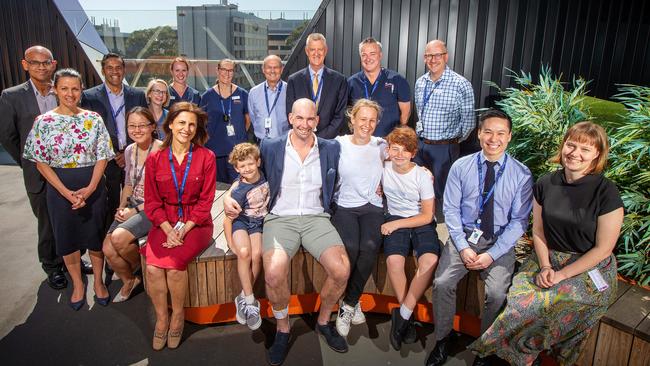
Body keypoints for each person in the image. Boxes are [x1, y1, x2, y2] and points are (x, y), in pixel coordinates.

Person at [469, 121, 624, 366]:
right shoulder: (545, 183)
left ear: (597, 154)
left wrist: (561, 275)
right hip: (546, 257)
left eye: (585, 149)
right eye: (571, 145)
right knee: (520, 302)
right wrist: (544, 266)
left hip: (587, 267)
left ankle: (518, 356)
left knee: (554, 304)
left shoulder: (606, 192)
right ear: (563, 146)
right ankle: (520, 356)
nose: (575, 153)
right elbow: (538, 231)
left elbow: (603, 249)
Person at [224, 99, 350, 366]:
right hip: (280, 218)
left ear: (316, 120)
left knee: (341, 270)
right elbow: (248, 171)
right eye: (299, 118)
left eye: (310, 119)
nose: (305, 124)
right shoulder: (271, 146)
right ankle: (283, 328)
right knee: (273, 272)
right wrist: (229, 196)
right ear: (291, 118)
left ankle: (324, 321)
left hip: (317, 218)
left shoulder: (330, 148)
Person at [426, 110, 533, 366]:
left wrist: (491, 255)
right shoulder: (461, 166)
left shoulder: (522, 174)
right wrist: (462, 247)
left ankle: (485, 348)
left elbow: (519, 221)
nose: (493, 138)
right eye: (488, 131)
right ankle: (442, 339)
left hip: (499, 243)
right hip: (463, 238)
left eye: (500, 133)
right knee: (441, 283)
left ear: (508, 137)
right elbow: (450, 210)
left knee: (497, 292)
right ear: (479, 133)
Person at [22, 68, 115, 310]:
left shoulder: (93, 119)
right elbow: (39, 161)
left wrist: (92, 187)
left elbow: (103, 155)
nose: (70, 93)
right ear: (55, 89)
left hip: (92, 186)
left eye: (75, 88)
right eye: (64, 88)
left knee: (94, 237)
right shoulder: (43, 122)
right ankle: (78, 284)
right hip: (58, 189)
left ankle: (99, 284)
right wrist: (65, 192)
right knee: (66, 239)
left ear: (81, 90)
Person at [143, 101, 216, 350]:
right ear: (171, 124)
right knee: (153, 268)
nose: (187, 128)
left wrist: (183, 230)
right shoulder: (155, 159)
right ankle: (161, 320)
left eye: (192, 124)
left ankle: (177, 317)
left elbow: (206, 202)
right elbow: (151, 203)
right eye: (182, 122)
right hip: (165, 222)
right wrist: (167, 229)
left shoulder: (206, 157)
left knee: (174, 267)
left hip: (196, 225)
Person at [0, 45, 66, 290]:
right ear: (24, 64)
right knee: (47, 222)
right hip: (38, 172)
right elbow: (8, 136)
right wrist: (28, 161)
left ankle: (72, 259)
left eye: (45, 62)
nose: (41, 66)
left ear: (54, 64)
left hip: (67, 169)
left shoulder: (63, 91)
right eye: (35, 62)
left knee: (69, 217)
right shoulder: (12, 96)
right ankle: (52, 266)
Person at [381, 126, 441, 351]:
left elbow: (426, 215)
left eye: (405, 151)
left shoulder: (422, 176)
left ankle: (403, 315)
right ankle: (406, 314)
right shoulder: (384, 168)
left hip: (419, 220)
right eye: (394, 149)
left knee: (429, 260)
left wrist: (395, 224)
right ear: (388, 150)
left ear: (413, 153)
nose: (399, 155)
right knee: (393, 261)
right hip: (395, 216)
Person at [332, 99, 386, 337]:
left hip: (372, 206)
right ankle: (352, 299)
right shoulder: (338, 144)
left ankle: (349, 304)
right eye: (362, 119)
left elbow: (404, 159)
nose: (367, 124)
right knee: (351, 248)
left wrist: (423, 170)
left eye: (372, 120)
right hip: (344, 205)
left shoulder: (382, 145)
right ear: (352, 119)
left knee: (370, 247)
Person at [81, 52, 147, 233]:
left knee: (135, 199)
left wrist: (126, 152)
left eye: (118, 67)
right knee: (108, 203)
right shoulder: (89, 97)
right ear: (103, 70)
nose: (114, 71)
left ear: (124, 70)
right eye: (109, 68)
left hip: (133, 156)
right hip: (106, 161)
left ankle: (131, 238)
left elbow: (143, 125)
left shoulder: (137, 95)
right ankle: (110, 240)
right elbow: (90, 132)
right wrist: (115, 154)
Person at [102, 107, 161, 303]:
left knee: (118, 239)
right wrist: (121, 208)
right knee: (108, 250)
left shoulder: (162, 151)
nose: (136, 130)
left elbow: (163, 195)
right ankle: (131, 279)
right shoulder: (129, 150)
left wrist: (133, 211)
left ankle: (143, 271)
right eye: (132, 126)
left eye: (142, 125)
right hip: (131, 205)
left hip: (153, 206)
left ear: (152, 127)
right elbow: (128, 184)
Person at [414, 40, 475, 217]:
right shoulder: (421, 82)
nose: (433, 59)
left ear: (445, 56)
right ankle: (421, 220)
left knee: (441, 191)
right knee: (420, 186)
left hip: (445, 147)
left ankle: (439, 226)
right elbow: (421, 112)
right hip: (422, 145)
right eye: (428, 56)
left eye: (437, 55)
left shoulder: (461, 84)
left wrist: (452, 141)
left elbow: (469, 122)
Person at [223, 143, 270, 331]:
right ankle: (250, 301)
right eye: (242, 166)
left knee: (257, 254)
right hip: (242, 222)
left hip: (258, 223)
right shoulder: (238, 190)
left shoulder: (265, 175)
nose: (247, 169)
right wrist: (230, 243)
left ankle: (243, 295)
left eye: (250, 164)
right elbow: (228, 220)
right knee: (244, 252)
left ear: (258, 162)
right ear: (236, 168)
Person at [286, 33, 348, 139]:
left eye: (320, 49)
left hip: (329, 141)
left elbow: (340, 116)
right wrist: (306, 137)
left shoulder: (339, 80)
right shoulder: (294, 80)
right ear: (306, 51)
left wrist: (320, 138)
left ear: (325, 50)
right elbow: (291, 112)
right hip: (302, 140)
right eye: (312, 49)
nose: (316, 53)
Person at [347, 37, 411, 137]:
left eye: (372, 54)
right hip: (361, 142)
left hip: (388, 142)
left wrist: (396, 138)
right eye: (364, 55)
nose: (368, 59)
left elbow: (405, 113)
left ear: (380, 55)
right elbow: (348, 113)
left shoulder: (397, 80)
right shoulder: (351, 82)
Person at [200, 59, 250, 183]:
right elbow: (202, 124)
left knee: (238, 187)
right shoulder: (207, 96)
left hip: (237, 151)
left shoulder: (242, 94)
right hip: (215, 152)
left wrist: (238, 136)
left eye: (230, 70)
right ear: (217, 71)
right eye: (224, 70)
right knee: (217, 188)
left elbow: (247, 120)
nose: (227, 73)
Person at [247, 55, 290, 140]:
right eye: (269, 67)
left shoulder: (290, 90)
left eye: (276, 67)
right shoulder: (254, 92)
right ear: (263, 69)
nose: (272, 71)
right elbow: (253, 117)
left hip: (283, 142)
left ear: (281, 69)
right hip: (261, 142)